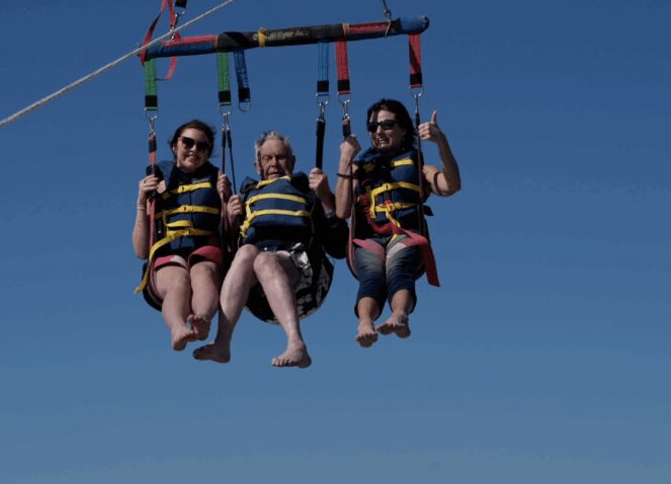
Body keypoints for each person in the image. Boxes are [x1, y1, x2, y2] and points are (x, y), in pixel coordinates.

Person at [194, 131, 343, 368]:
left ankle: (297, 343)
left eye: (281, 157)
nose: (274, 164)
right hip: (258, 297)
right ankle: (222, 343)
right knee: (247, 253)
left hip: (305, 284)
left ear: (292, 162)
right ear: (257, 165)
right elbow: (229, 256)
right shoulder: (246, 199)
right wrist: (230, 220)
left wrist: (326, 199)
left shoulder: (308, 194)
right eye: (267, 158)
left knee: (264, 260)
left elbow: (339, 247)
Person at [336, 99, 462, 347]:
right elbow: (341, 211)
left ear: (404, 128)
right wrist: (345, 161)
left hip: (405, 234)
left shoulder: (418, 165)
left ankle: (400, 316)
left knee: (399, 264)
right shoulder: (360, 166)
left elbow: (451, 185)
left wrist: (441, 142)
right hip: (369, 238)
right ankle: (364, 323)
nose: (379, 132)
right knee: (371, 274)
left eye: (387, 125)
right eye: (373, 128)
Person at [133, 120, 232, 351]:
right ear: (175, 146)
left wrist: (226, 202)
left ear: (208, 153)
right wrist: (140, 202)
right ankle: (177, 328)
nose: (194, 150)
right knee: (179, 279)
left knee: (202, 271)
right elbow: (140, 252)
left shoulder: (217, 181)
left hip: (204, 250)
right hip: (168, 253)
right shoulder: (157, 179)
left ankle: (202, 320)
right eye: (187, 142)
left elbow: (230, 233)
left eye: (202, 146)